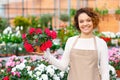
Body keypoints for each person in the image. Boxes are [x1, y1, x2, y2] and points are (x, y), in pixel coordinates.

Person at [44, 7, 110, 80]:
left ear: (93, 21)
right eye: (81, 21)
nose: (85, 24)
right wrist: (47, 55)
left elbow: (104, 71)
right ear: (78, 24)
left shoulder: (100, 43)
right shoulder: (71, 41)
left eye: (88, 20)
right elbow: (63, 66)